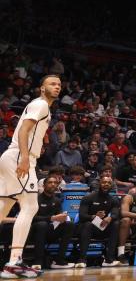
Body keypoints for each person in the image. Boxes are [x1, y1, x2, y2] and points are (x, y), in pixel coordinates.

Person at [0, 74, 60, 279]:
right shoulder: (41, 104)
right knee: (30, 206)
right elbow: (24, 129)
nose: (57, 87)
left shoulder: (42, 107)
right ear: (42, 88)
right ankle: (14, 262)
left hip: (12, 156)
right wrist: (25, 157)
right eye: (52, 84)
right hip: (19, 156)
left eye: (59, 84)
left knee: (2, 210)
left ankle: (13, 262)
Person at [26, 169, 76, 269]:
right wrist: (51, 218)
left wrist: (63, 218)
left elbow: (59, 216)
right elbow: (31, 218)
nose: (53, 184)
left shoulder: (57, 201)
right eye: (50, 182)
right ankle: (38, 261)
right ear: (44, 185)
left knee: (70, 224)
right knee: (42, 225)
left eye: (55, 183)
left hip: (51, 230)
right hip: (35, 231)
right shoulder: (36, 199)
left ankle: (59, 260)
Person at [76, 173, 121, 268]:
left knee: (116, 223)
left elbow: (116, 213)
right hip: (86, 227)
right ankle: (82, 260)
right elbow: (81, 216)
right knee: (88, 224)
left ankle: (109, 259)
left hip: (101, 226)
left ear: (111, 185)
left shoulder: (113, 200)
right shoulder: (89, 197)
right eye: (104, 182)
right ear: (99, 183)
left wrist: (110, 217)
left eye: (109, 183)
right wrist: (94, 216)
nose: (106, 184)